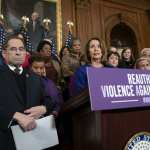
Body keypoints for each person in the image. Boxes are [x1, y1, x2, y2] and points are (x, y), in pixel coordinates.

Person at [0, 36, 52, 150]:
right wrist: (14, 115)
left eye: (21, 49)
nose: (18, 52)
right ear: (4, 53)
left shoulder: (35, 78)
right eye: (13, 49)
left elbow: (49, 101)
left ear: (25, 53)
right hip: (6, 140)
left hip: (35, 139)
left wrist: (44, 108)